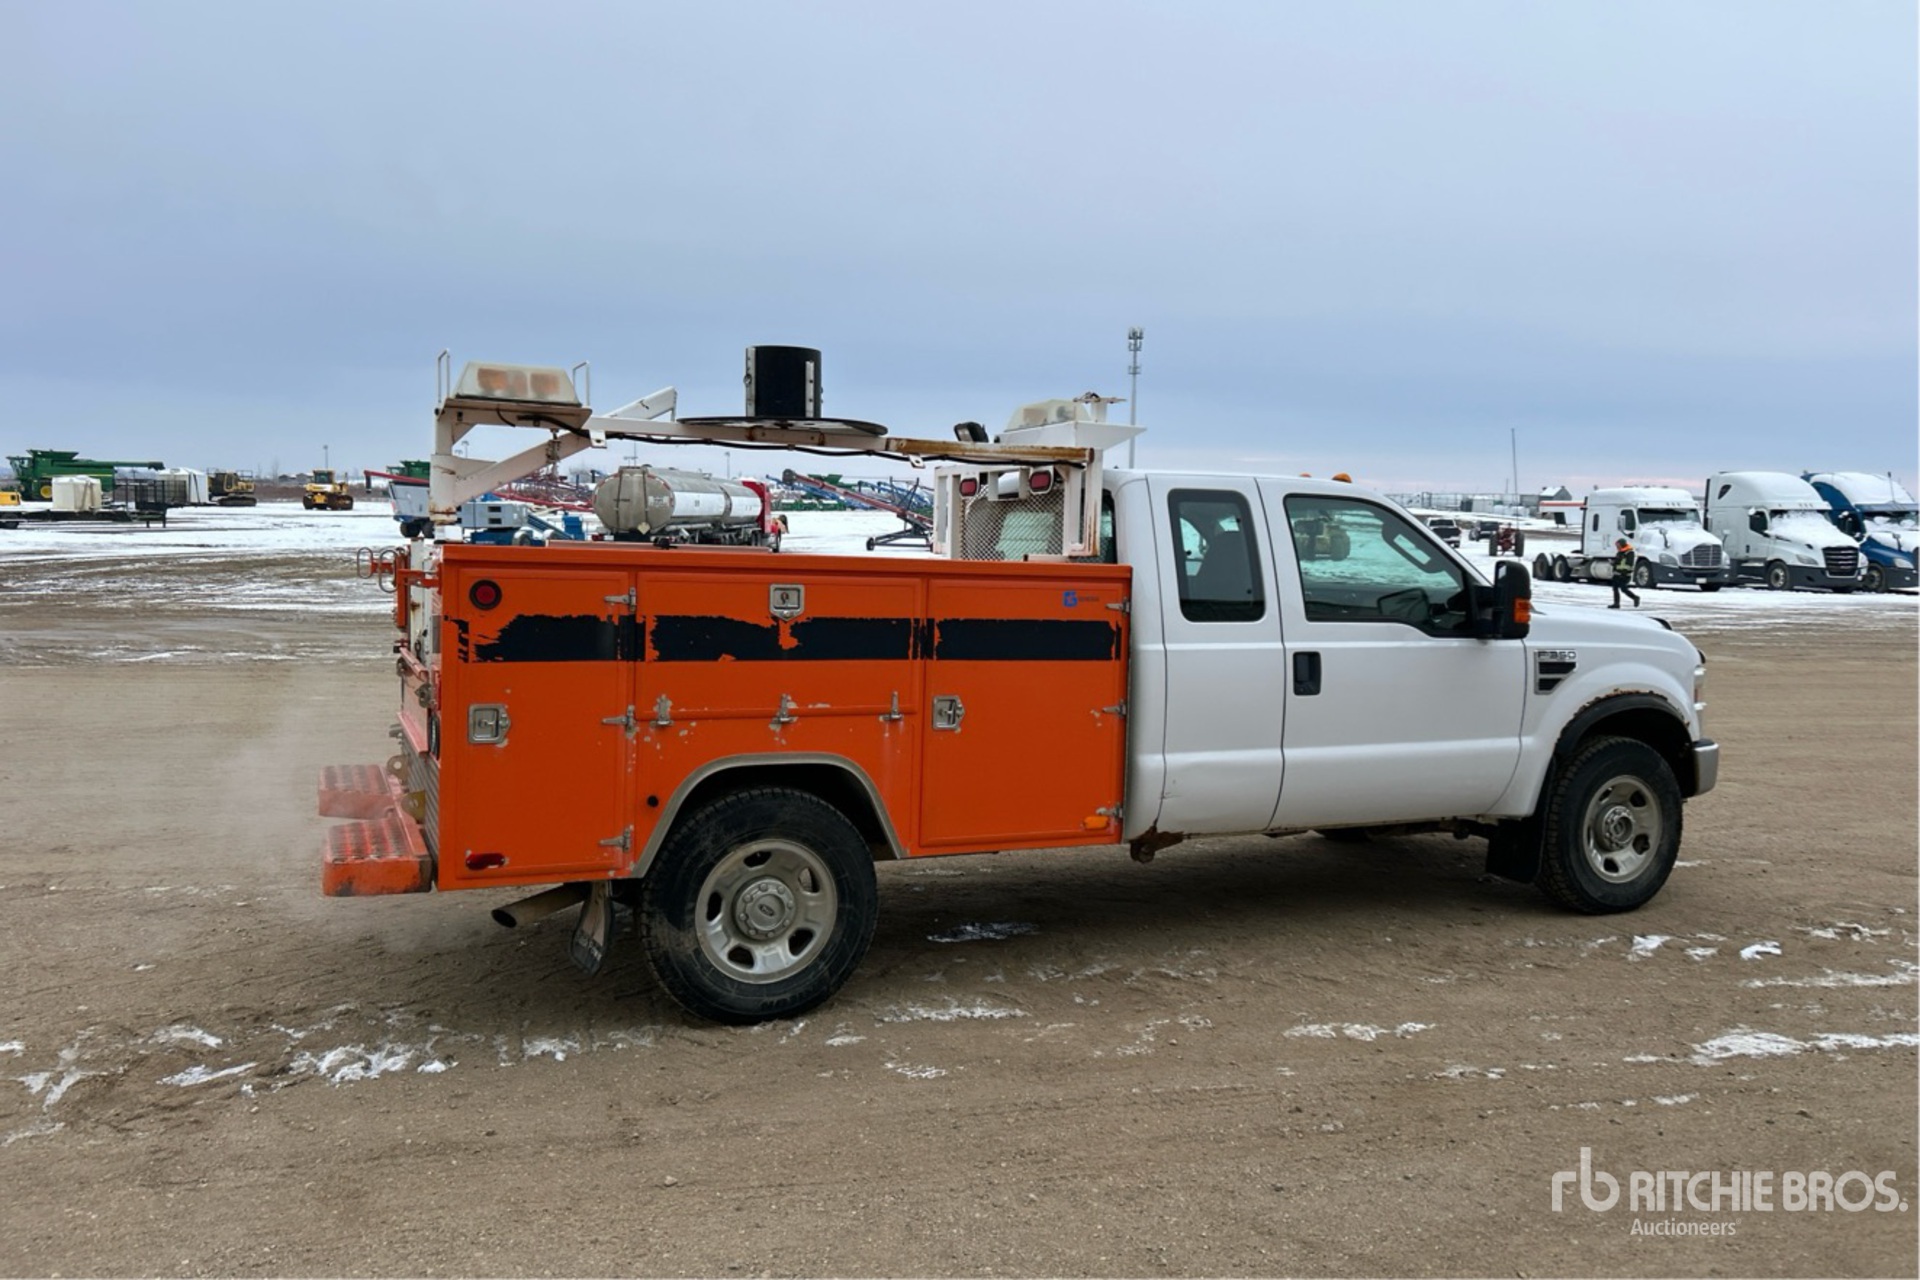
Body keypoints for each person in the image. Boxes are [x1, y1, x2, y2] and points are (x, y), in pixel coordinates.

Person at [1609, 538, 1640, 608]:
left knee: (1623, 589)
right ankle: (1616, 604)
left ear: (1622, 544)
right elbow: (1618, 562)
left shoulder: (1629, 553)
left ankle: (1635, 597)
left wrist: (1621, 569)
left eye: (1618, 545)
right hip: (1617, 574)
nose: (1617, 547)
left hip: (1624, 575)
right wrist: (1614, 563)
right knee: (1615, 588)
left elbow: (1629, 565)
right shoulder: (1620, 552)